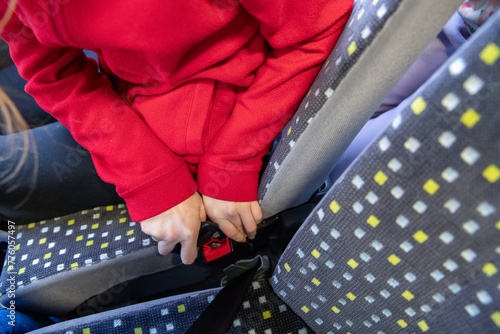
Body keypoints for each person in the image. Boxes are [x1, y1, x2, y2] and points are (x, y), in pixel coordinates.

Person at [0, 0, 353, 264]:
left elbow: (317, 26)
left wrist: (231, 160)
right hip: (121, 88)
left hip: (220, 115)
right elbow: (52, 70)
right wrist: (145, 169)